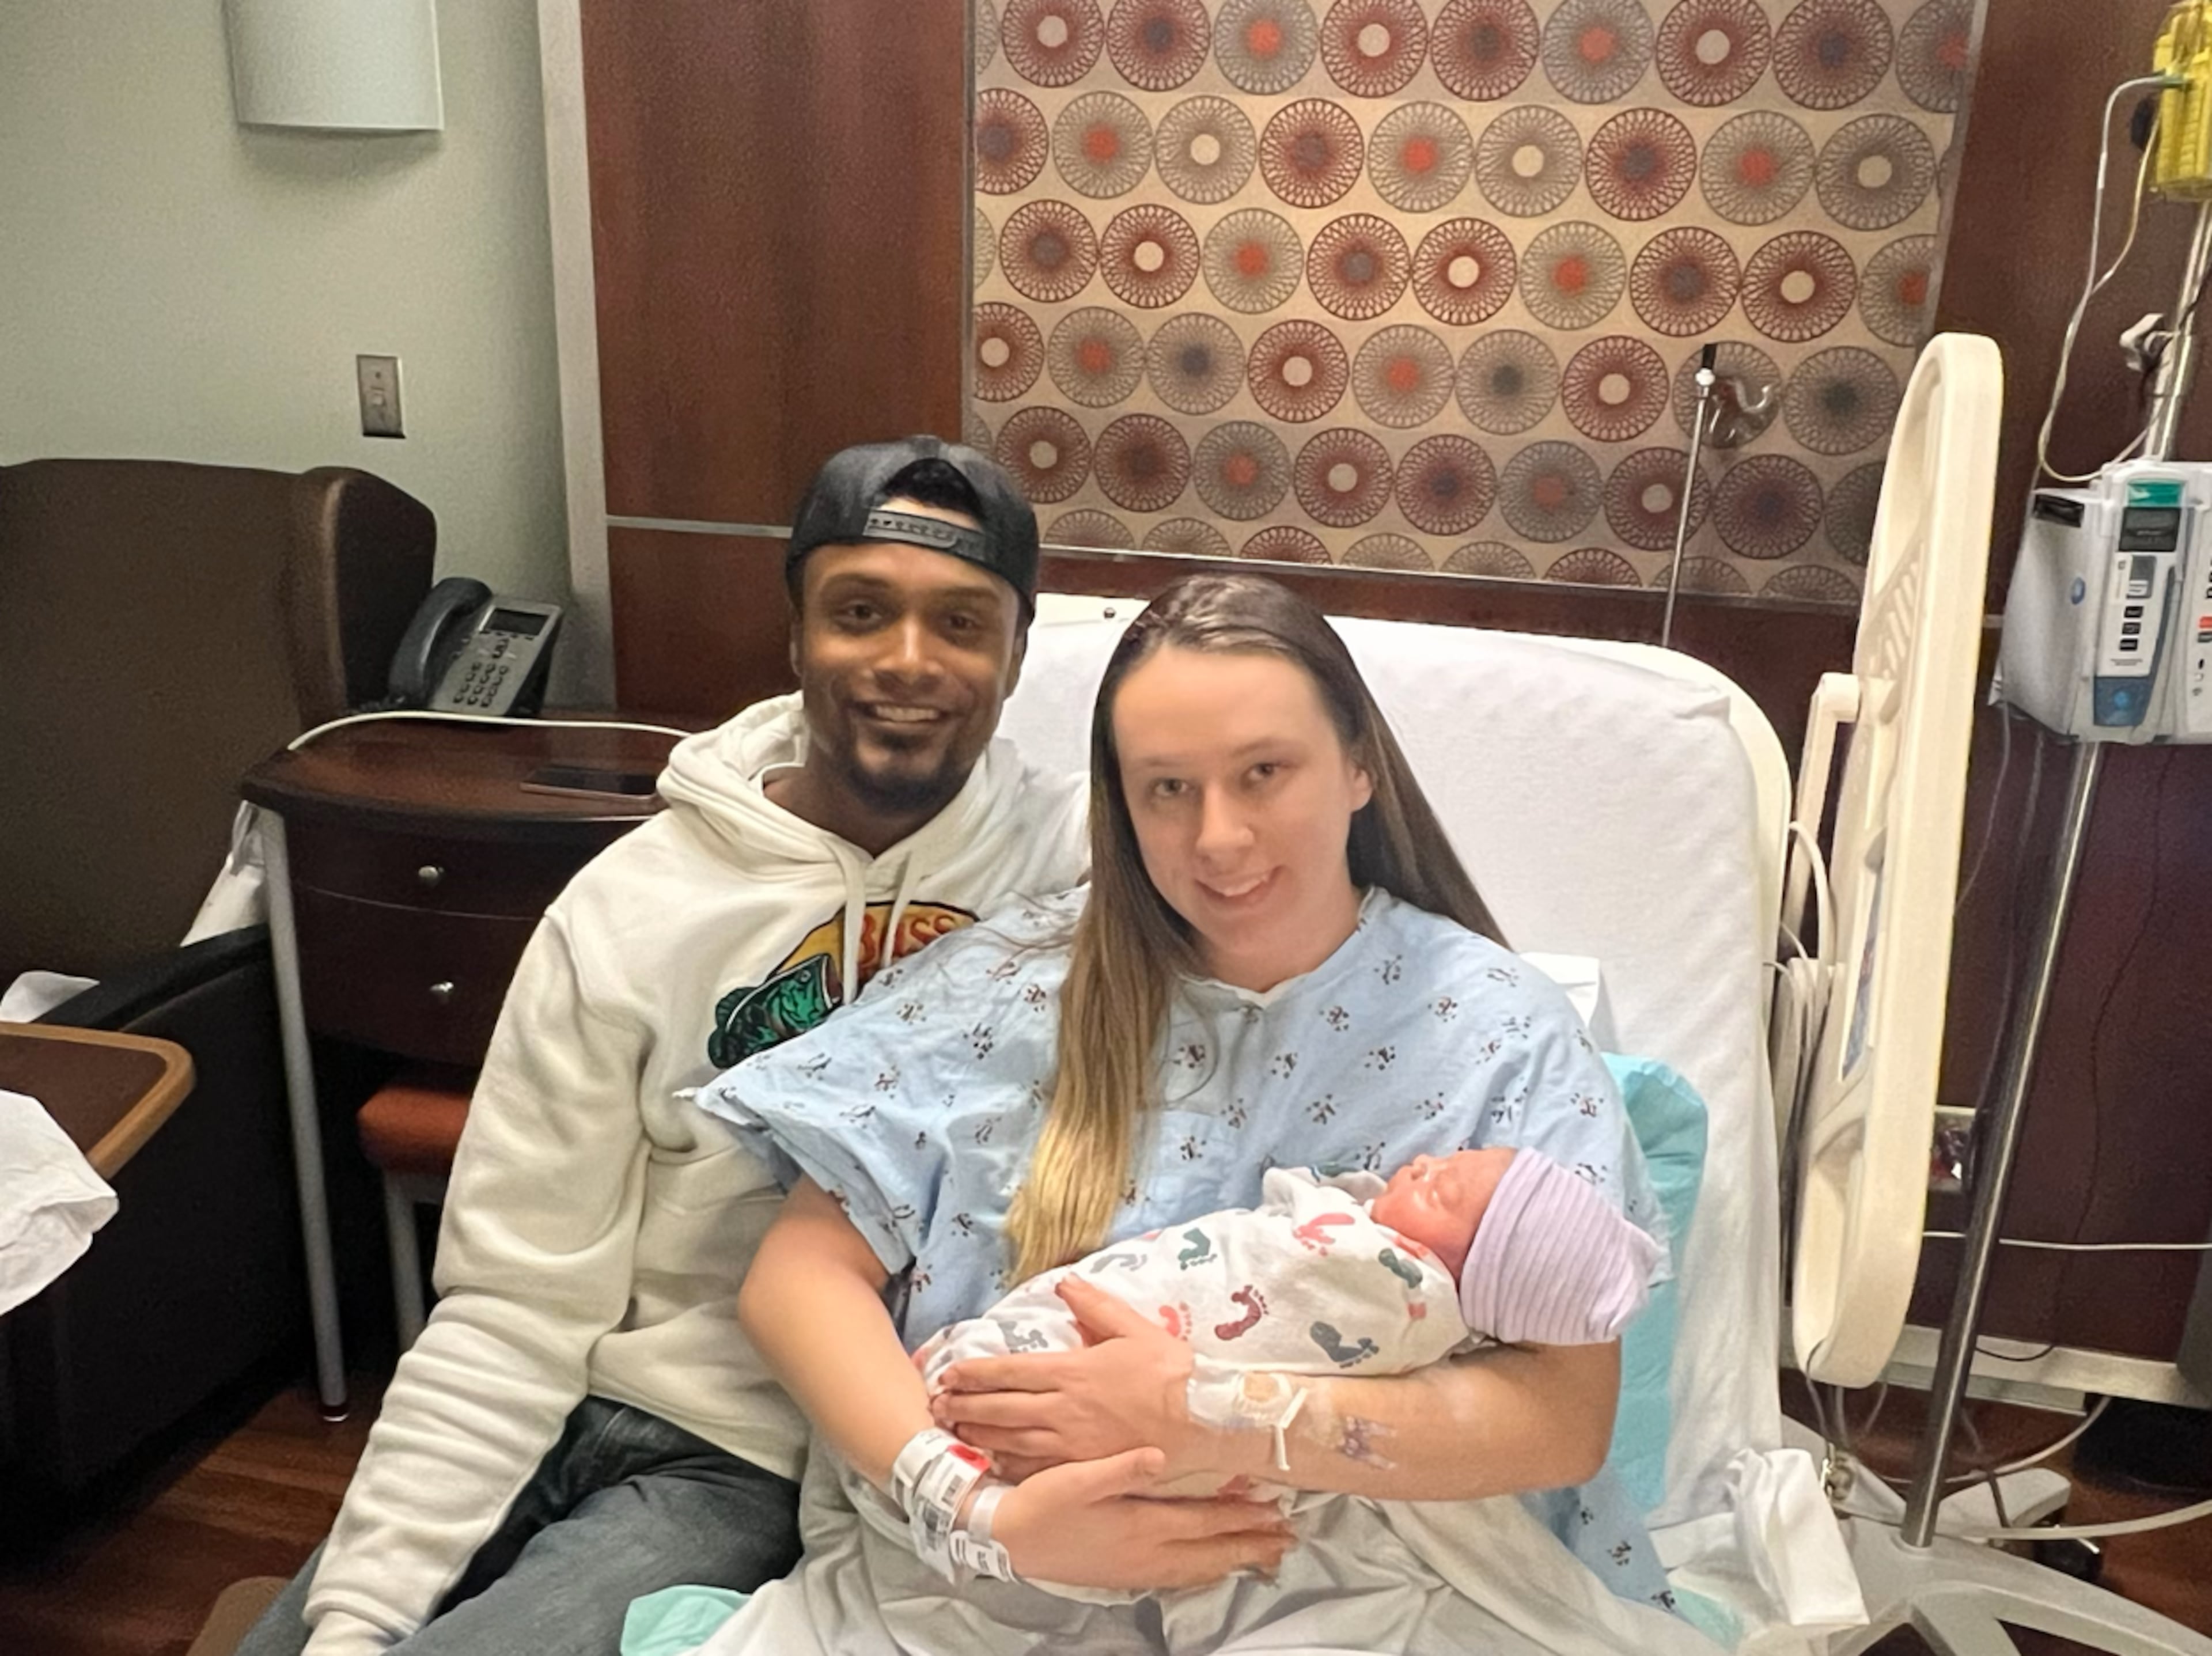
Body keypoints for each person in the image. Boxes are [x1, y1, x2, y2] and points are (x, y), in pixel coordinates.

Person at [236, 437, 1125, 1655]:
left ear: (1019, 654)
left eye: (963, 624)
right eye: (861, 612)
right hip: (556, 1390)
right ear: (797, 633)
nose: (909, 663)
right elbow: (513, 1296)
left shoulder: (1080, 877)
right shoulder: (629, 910)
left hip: (744, 1454)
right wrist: (357, 1611)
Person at [690, 573, 1682, 1655]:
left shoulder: (1499, 1032)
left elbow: (1563, 1420)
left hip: (1369, 1579)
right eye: (1167, 789)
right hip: (1003, 1569)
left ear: (1359, 766)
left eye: (1265, 772)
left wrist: (1214, 1411)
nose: (1218, 838)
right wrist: (985, 1519)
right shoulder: (1008, 989)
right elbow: (800, 1277)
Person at [911, 1145, 1663, 1524]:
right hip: (1095, 1377)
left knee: (1027, 1383)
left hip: (1167, 1430)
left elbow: (1569, 1433)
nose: (1425, 1161)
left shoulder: (1396, 1289)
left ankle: (962, 1415)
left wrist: (1204, 1411)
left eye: (1444, 1189)